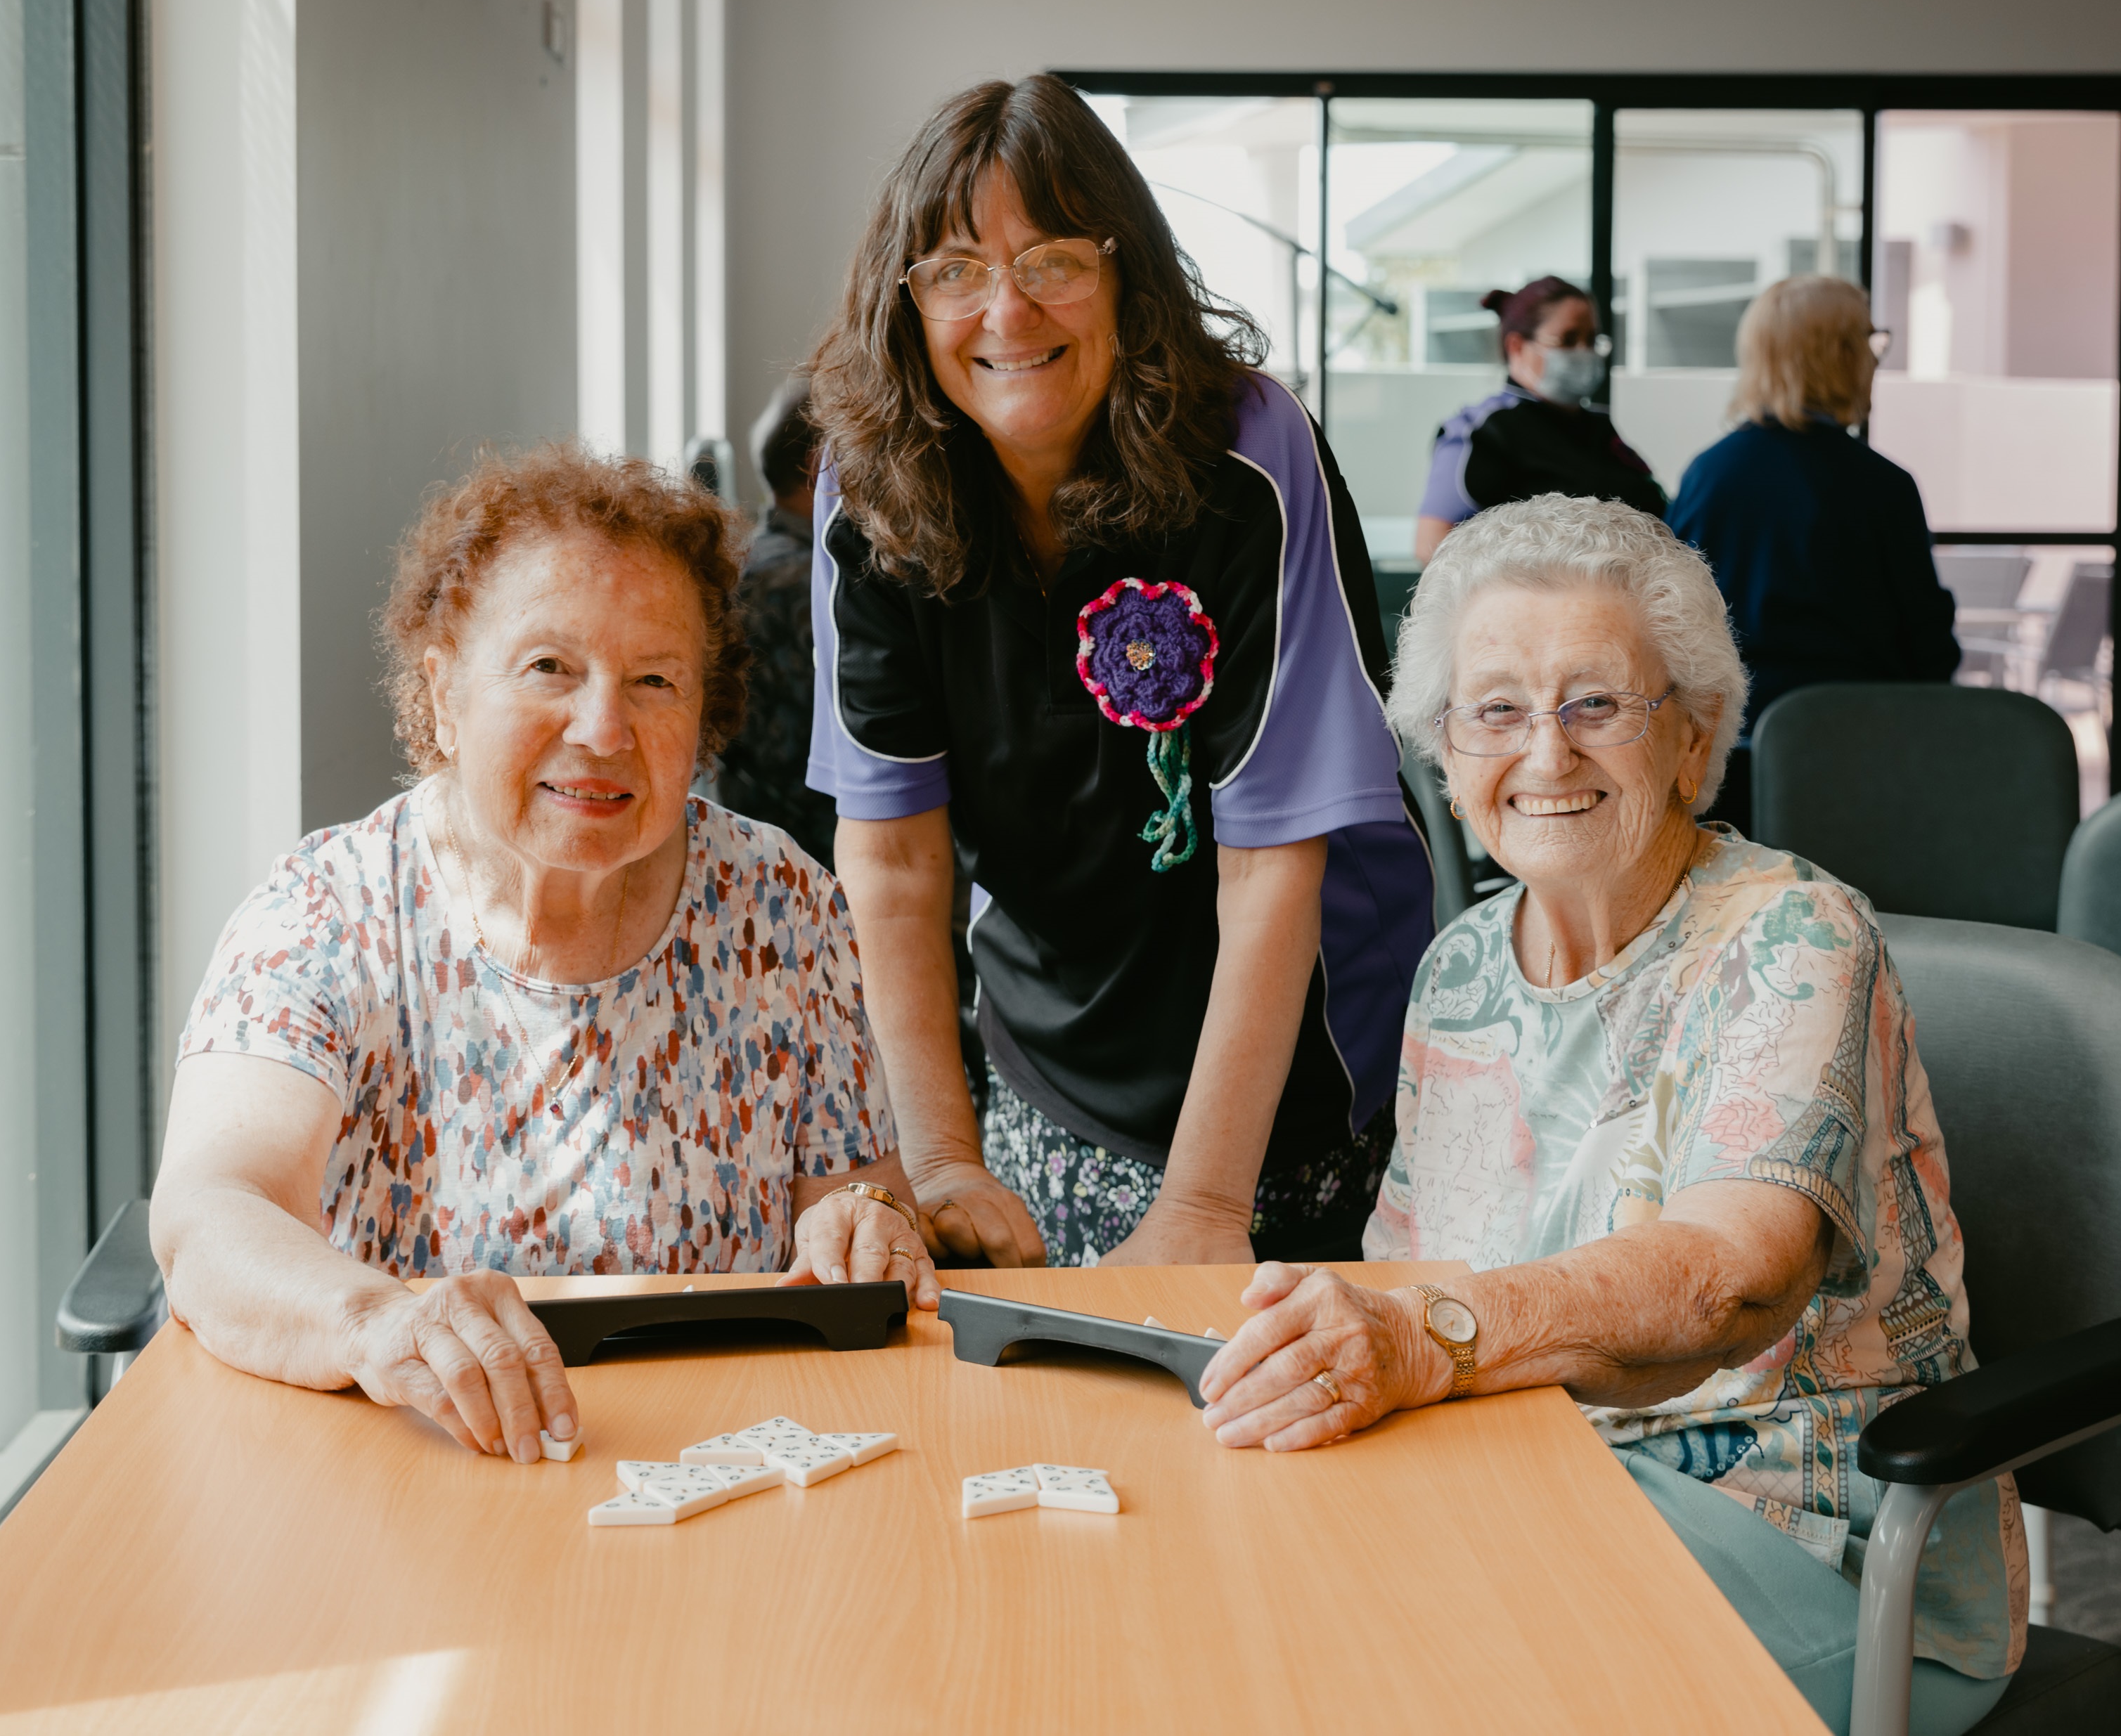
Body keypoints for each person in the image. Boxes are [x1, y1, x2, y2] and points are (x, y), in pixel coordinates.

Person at [1194, 494, 2024, 1736]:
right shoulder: (1459, 970)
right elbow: (1413, 1274)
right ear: (1447, 756)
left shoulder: (1793, 938)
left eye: (1595, 704)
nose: (1545, 755)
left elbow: (1729, 1280)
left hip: (1822, 1540)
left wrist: (1425, 1341)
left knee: (1412, 1676)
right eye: (1496, 711)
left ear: (1694, 737)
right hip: (1529, 1482)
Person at [148, 446, 932, 1468]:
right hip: (416, 1458)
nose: (603, 730)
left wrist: (869, 1223)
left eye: (655, 680)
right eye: (549, 669)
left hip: (717, 1461)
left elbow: (857, 1199)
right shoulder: (326, 913)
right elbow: (210, 1212)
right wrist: (377, 1323)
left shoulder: (781, 906)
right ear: (443, 694)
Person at [806, 73, 1434, 1271]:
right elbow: (891, 861)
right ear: (906, 300)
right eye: (955, 270)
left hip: (1297, 1071)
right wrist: (940, 1163)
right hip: (1050, 1058)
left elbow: (1273, 865)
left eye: (1052, 260)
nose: (1007, 311)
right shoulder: (870, 490)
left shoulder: (1250, 457)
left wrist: (1203, 1207)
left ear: (1125, 272)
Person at [1668, 274, 1959, 830]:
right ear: (1838, 354)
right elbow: (1927, 647)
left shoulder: (1709, 476)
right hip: (1863, 761)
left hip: (1725, 766)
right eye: (1869, 342)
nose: (1875, 361)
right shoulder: (1882, 487)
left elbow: (1675, 627)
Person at [1412, 276, 1665, 564]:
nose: (1584, 352)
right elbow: (1431, 545)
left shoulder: (1598, 426)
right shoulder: (1485, 430)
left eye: (1591, 340)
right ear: (1517, 347)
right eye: (1568, 340)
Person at [712, 375, 839, 865]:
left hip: (754, 843)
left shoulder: (749, 561)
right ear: (820, 464)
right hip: (811, 858)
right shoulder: (805, 585)